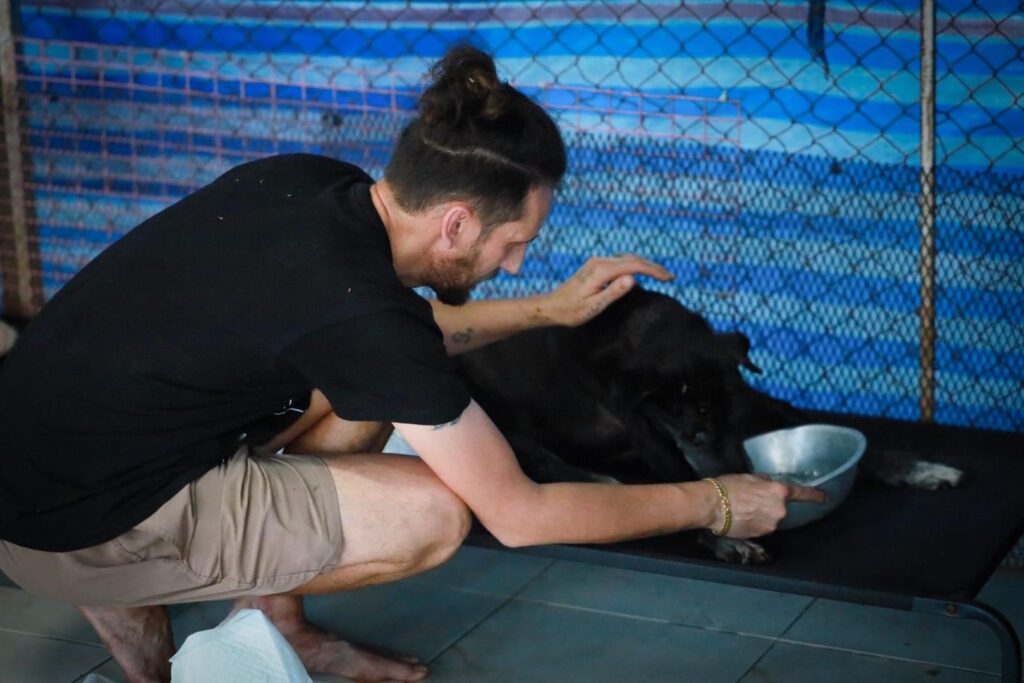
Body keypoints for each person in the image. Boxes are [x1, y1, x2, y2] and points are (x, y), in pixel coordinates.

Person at [0, 45, 825, 683]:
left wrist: (553, 310)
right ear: (459, 223)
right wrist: (714, 501)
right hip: (71, 522)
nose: (513, 267)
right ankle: (162, 602)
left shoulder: (320, 186)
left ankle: (275, 618)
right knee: (437, 512)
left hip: (45, 447)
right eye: (515, 246)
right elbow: (521, 515)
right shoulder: (361, 309)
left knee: (369, 386)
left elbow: (404, 332)